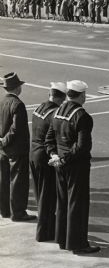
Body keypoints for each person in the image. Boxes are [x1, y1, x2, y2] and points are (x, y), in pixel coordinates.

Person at [45, 80, 100, 254]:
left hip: (60, 165)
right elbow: (82, 147)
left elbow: (49, 138)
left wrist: (55, 156)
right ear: (82, 95)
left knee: (62, 203)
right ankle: (77, 243)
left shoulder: (58, 111)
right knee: (78, 204)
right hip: (76, 166)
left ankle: (62, 238)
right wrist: (64, 158)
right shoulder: (82, 116)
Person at [30, 82, 67, 241]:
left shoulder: (39, 108)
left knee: (40, 194)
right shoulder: (54, 113)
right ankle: (44, 232)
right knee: (48, 196)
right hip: (44, 157)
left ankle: (46, 227)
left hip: (33, 153)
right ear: (62, 98)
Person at [0, 73, 36, 221]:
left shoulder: (2, 102)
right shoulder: (18, 104)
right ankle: (18, 212)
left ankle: (4, 210)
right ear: (17, 88)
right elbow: (16, 128)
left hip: (3, 148)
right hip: (16, 149)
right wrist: (5, 141)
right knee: (18, 181)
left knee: (3, 179)